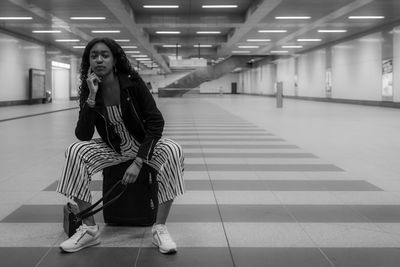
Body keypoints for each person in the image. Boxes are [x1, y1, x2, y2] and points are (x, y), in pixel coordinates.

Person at [56, 37, 185, 254]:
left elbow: (156, 122)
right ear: (88, 61)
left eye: (105, 55)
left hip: (143, 146)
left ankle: (160, 228)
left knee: (174, 150)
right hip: (113, 149)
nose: (99, 60)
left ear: (115, 60)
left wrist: (139, 161)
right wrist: (91, 98)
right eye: (94, 56)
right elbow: (83, 135)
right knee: (75, 152)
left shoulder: (133, 83)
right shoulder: (89, 90)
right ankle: (89, 230)